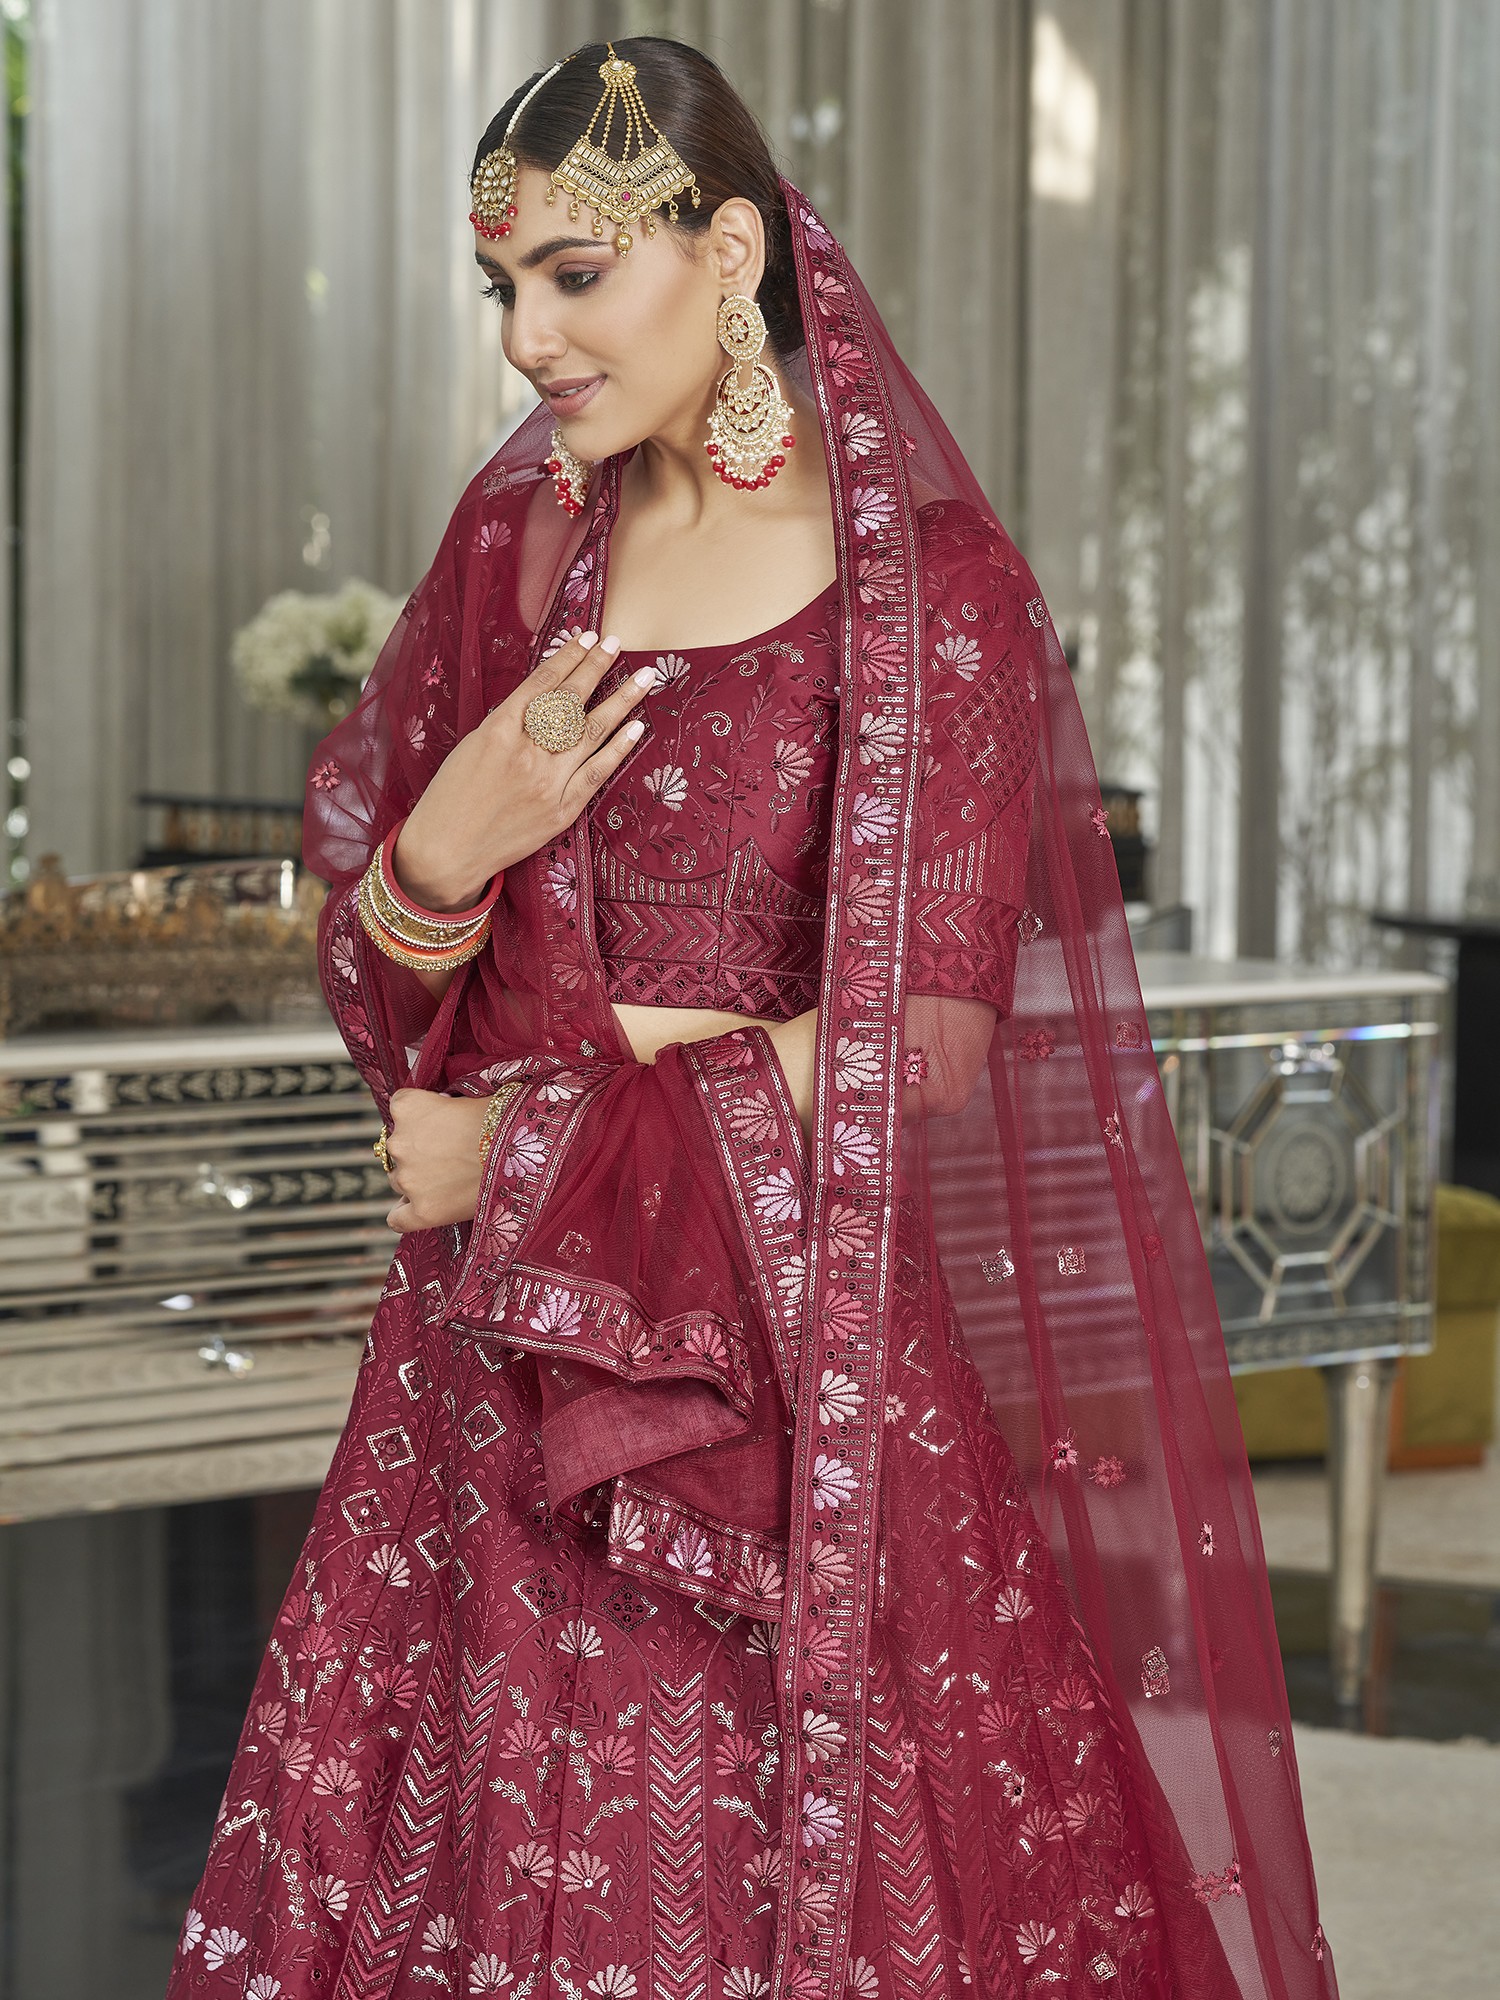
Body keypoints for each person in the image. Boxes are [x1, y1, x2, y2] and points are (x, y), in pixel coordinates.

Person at [169, 37, 1336, 2000]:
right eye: (503, 285)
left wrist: (523, 1140)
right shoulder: (522, 558)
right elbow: (383, 991)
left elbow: (923, 1041)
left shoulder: (934, 595)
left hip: (784, 1351)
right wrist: (451, 839)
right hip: (490, 1360)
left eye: (574, 275)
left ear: (726, 251)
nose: (528, 338)